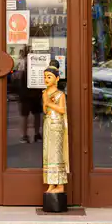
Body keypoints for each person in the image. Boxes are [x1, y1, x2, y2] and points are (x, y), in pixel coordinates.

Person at [42, 60, 69, 192]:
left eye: (49, 77)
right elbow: (45, 110)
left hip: (57, 124)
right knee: (48, 154)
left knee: (56, 154)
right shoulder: (45, 93)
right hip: (48, 123)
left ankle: (60, 185)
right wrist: (45, 102)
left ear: (57, 78)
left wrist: (49, 103)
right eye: (45, 77)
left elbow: (62, 110)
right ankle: (51, 183)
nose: (46, 79)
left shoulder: (60, 94)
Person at [17, 49, 42, 143]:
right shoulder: (24, 65)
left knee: (27, 115)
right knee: (32, 115)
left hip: (28, 93)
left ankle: (27, 135)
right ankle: (32, 134)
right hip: (30, 93)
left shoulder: (22, 65)